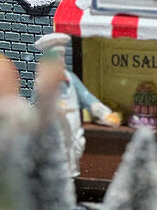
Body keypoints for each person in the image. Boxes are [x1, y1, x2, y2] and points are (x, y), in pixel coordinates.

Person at [33, 33, 122, 180]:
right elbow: (34, 107)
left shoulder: (71, 79)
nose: (60, 60)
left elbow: (87, 98)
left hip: (71, 136)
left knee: (69, 173)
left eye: (62, 55)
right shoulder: (42, 83)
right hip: (51, 136)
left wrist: (104, 114)